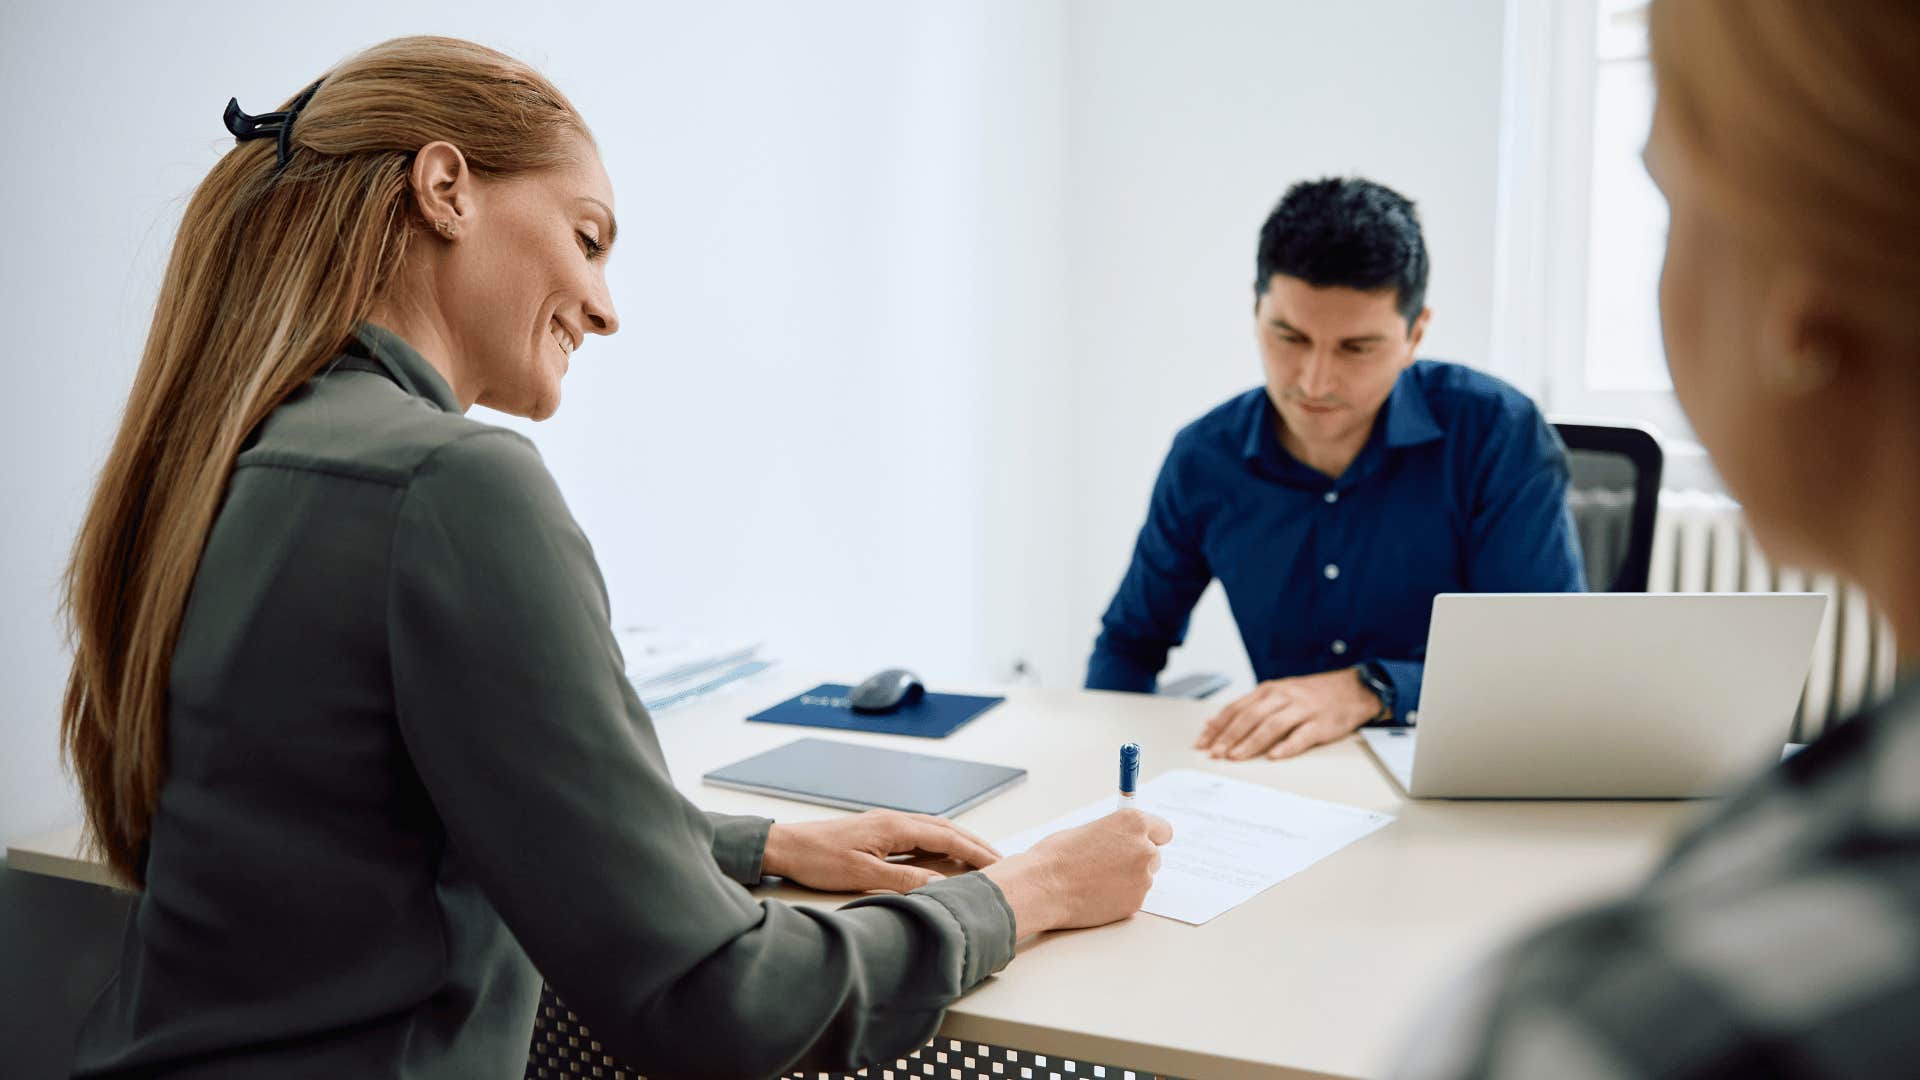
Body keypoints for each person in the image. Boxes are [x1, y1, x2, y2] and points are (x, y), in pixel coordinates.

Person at [60, 37, 1171, 1079]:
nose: (604, 307)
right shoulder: (450, 483)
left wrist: (761, 842)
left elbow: (382, 812)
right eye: (588, 238)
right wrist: (1032, 892)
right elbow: (717, 1000)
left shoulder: (234, 458)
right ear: (445, 189)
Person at [1396, 3, 1920, 1075]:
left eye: (1670, 203)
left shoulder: (1611, 1027)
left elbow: (1540, 651)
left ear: (1797, 304)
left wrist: (1365, 684)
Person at [1087, 178, 1585, 761]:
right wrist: (1110, 781)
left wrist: (1370, 689)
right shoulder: (1204, 459)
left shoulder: (1498, 434)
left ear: (1414, 334)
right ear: (1256, 309)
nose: (1314, 381)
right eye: (1290, 336)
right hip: (1287, 784)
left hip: (1469, 769)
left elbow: (1540, 661)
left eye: (1356, 348)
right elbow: (1129, 644)